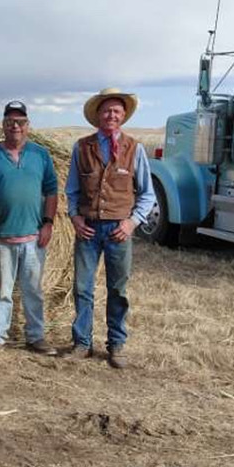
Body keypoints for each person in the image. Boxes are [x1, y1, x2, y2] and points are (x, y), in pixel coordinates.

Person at [64, 88, 156, 368]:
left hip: (119, 230)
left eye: (116, 111)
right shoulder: (82, 147)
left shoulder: (134, 148)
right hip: (88, 228)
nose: (111, 115)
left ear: (124, 115)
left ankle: (116, 344)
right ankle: (82, 343)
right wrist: (75, 218)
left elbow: (147, 194)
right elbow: (71, 190)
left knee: (118, 289)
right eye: (106, 111)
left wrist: (131, 223)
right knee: (83, 287)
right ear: (97, 116)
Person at [0, 101, 59, 354]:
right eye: (10, 121)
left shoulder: (40, 154)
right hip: (1, 239)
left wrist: (48, 223)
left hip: (34, 238)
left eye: (20, 121)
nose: (15, 126)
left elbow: (51, 190)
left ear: (28, 125)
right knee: (2, 292)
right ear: (3, 125)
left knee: (33, 290)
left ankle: (35, 336)